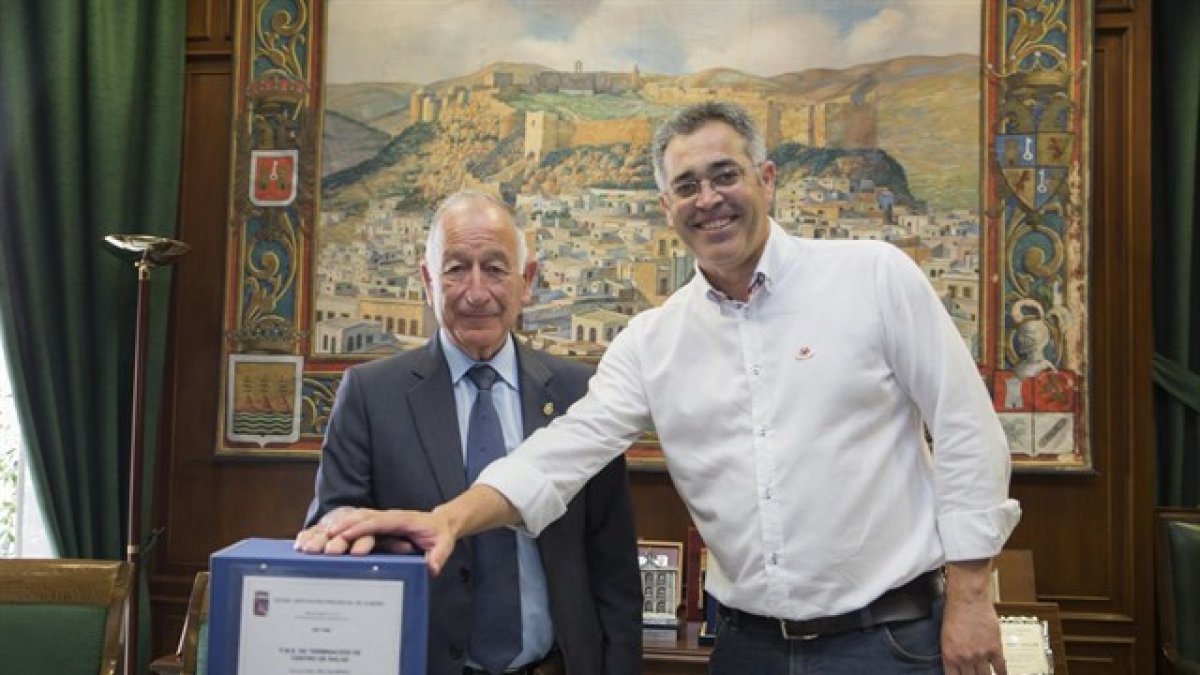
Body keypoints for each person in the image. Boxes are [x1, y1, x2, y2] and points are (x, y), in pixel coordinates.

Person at [323, 102, 1022, 675]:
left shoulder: (872, 276)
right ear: (666, 206)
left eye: (725, 175)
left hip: (890, 640)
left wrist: (970, 596)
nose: (708, 199)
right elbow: (557, 456)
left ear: (767, 179)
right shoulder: (652, 342)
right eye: (687, 186)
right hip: (746, 648)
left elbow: (967, 429)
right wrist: (450, 519)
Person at [294, 190, 642, 675]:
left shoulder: (578, 393)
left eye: (495, 269)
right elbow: (335, 523)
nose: (476, 293)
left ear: (527, 281)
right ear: (427, 280)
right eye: (457, 269)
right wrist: (370, 535)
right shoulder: (371, 395)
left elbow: (613, 565)